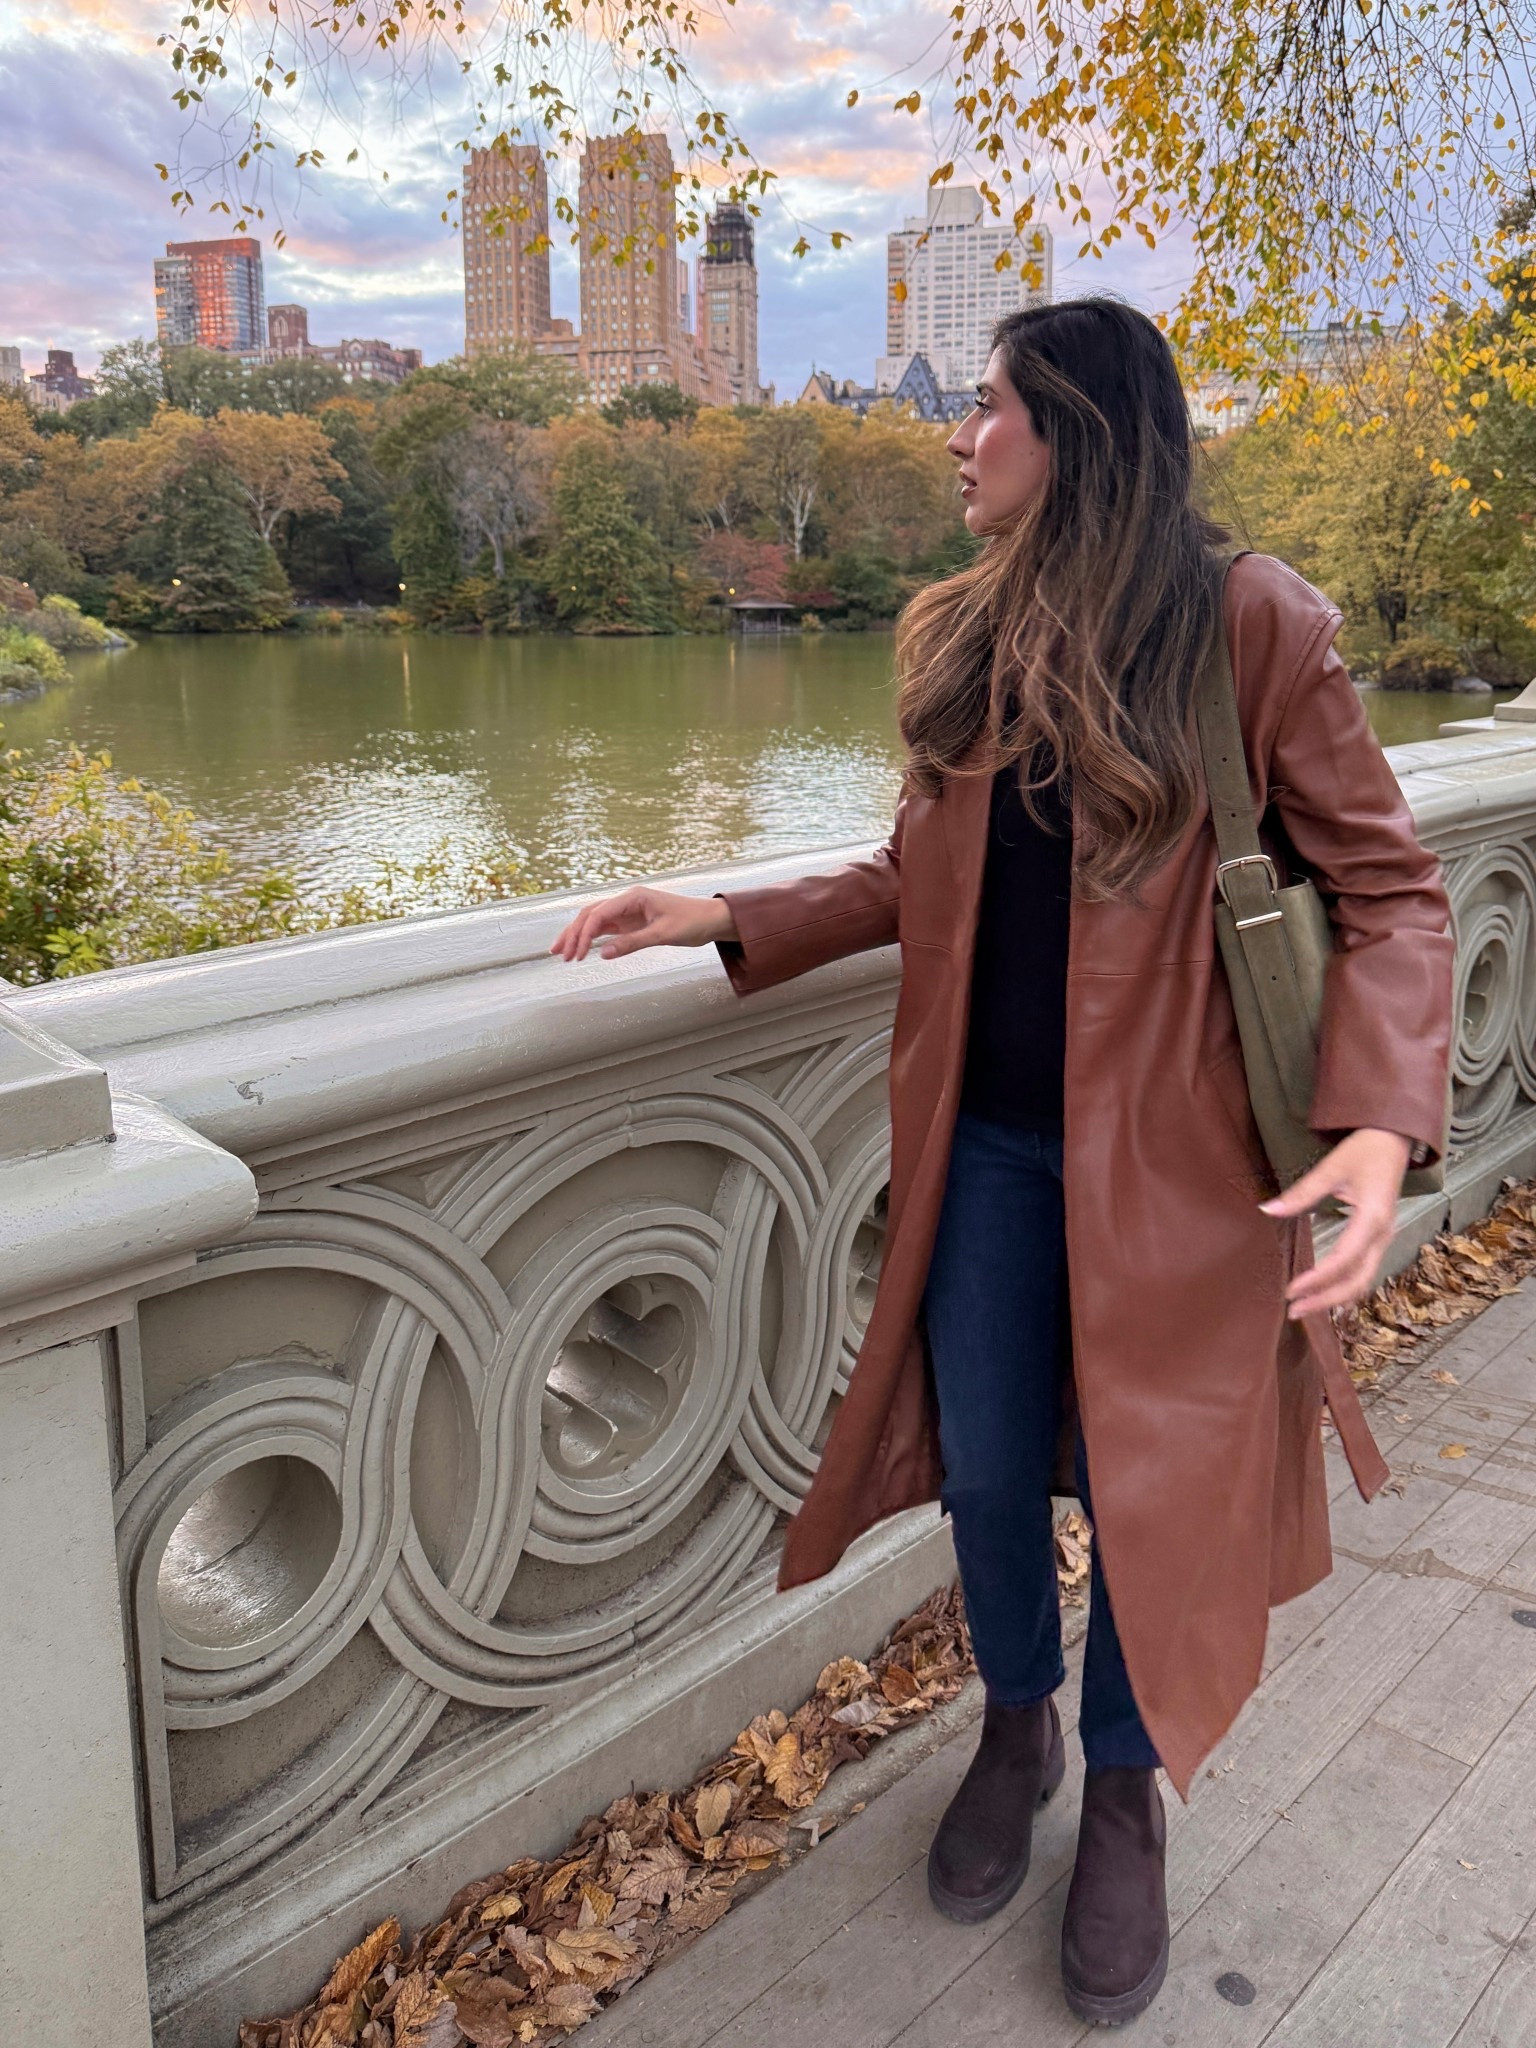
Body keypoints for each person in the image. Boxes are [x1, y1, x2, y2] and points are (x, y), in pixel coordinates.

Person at [550, 298, 1453, 2027]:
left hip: (1190, 1184)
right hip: (981, 1155)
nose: (960, 438)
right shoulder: (968, 634)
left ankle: (1124, 1796)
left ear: (1079, 436)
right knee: (980, 1481)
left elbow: (1398, 892)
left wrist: (1377, 1125)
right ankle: (1015, 1726)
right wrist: (731, 910)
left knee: (1146, 1499)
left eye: (989, 410)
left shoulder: (1247, 625)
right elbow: (920, 880)